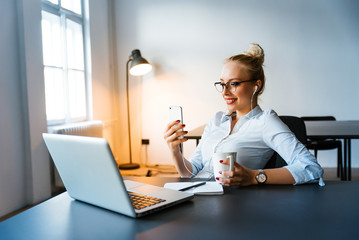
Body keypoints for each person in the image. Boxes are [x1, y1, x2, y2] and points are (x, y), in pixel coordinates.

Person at [164, 43, 324, 187]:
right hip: (197, 197)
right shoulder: (217, 120)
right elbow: (189, 173)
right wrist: (175, 151)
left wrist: (255, 176)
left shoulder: (265, 121)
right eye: (222, 84)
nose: (225, 92)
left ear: (256, 85)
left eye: (233, 84)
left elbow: (311, 168)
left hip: (231, 204)